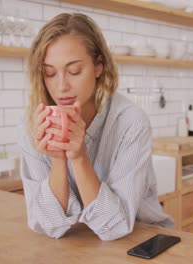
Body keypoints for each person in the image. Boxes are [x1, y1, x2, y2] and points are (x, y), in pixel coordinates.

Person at [18, 13, 173, 241]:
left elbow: (115, 227)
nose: (61, 86)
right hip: (80, 244)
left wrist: (79, 157)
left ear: (98, 66)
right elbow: (47, 224)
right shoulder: (33, 123)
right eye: (49, 73)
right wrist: (59, 159)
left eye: (74, 71)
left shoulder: (130, 122)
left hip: (143, 239)